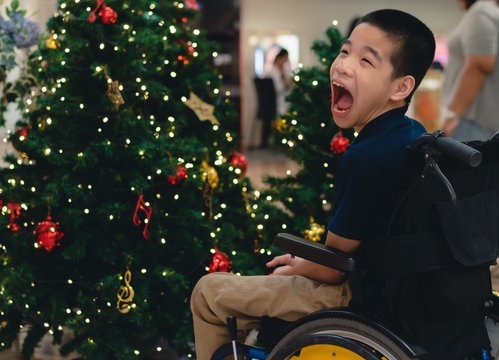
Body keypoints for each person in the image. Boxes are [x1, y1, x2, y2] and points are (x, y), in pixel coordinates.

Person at [190, 9, 435, 359]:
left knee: (208, 291)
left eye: (366, 61)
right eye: (346, 51)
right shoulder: (415, 135)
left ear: (401, 87)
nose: (344, 65)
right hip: (405, 289)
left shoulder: (365, 158)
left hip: (361, 295)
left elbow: (333, 269)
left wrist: (296, 262)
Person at [441, 0, 499, 141]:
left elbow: (479, 65)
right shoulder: (486, 12)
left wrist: (453, 115)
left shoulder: (481, 10)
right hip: (477, 120)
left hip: (473, 120)